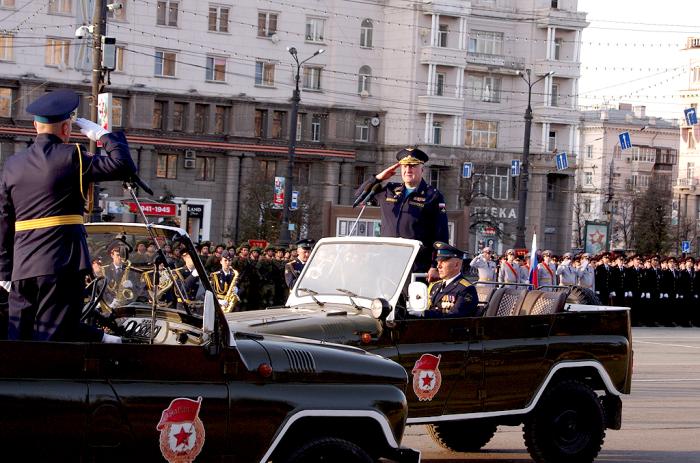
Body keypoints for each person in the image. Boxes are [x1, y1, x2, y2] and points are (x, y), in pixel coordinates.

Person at [0, 89, 136, 342]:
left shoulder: (12, 164)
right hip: (61, 263)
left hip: (22, 267)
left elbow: (4, 221)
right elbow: (124, 165)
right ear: (66, 128)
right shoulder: (73, 157)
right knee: (53, 339)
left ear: (35, 126)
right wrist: (104, 136)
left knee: (19, 337)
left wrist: (5, 271)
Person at [355, 147, 448, 280]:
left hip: (416, 265)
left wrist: (435, 265)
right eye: (404, 166)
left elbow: (441, 234)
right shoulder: (390, 190)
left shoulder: (433, 196)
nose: (408, 170)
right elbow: (359, 196)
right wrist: (378, 178)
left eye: (413, 166)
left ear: (422, 169)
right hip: (387, 264)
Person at [425, 242, 478, 318]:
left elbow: (454, 317)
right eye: (438, 262)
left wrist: (424, 314)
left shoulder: (466, 289)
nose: (438, 266)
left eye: (443, 262)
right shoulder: (435, 285)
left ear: (456, 265)